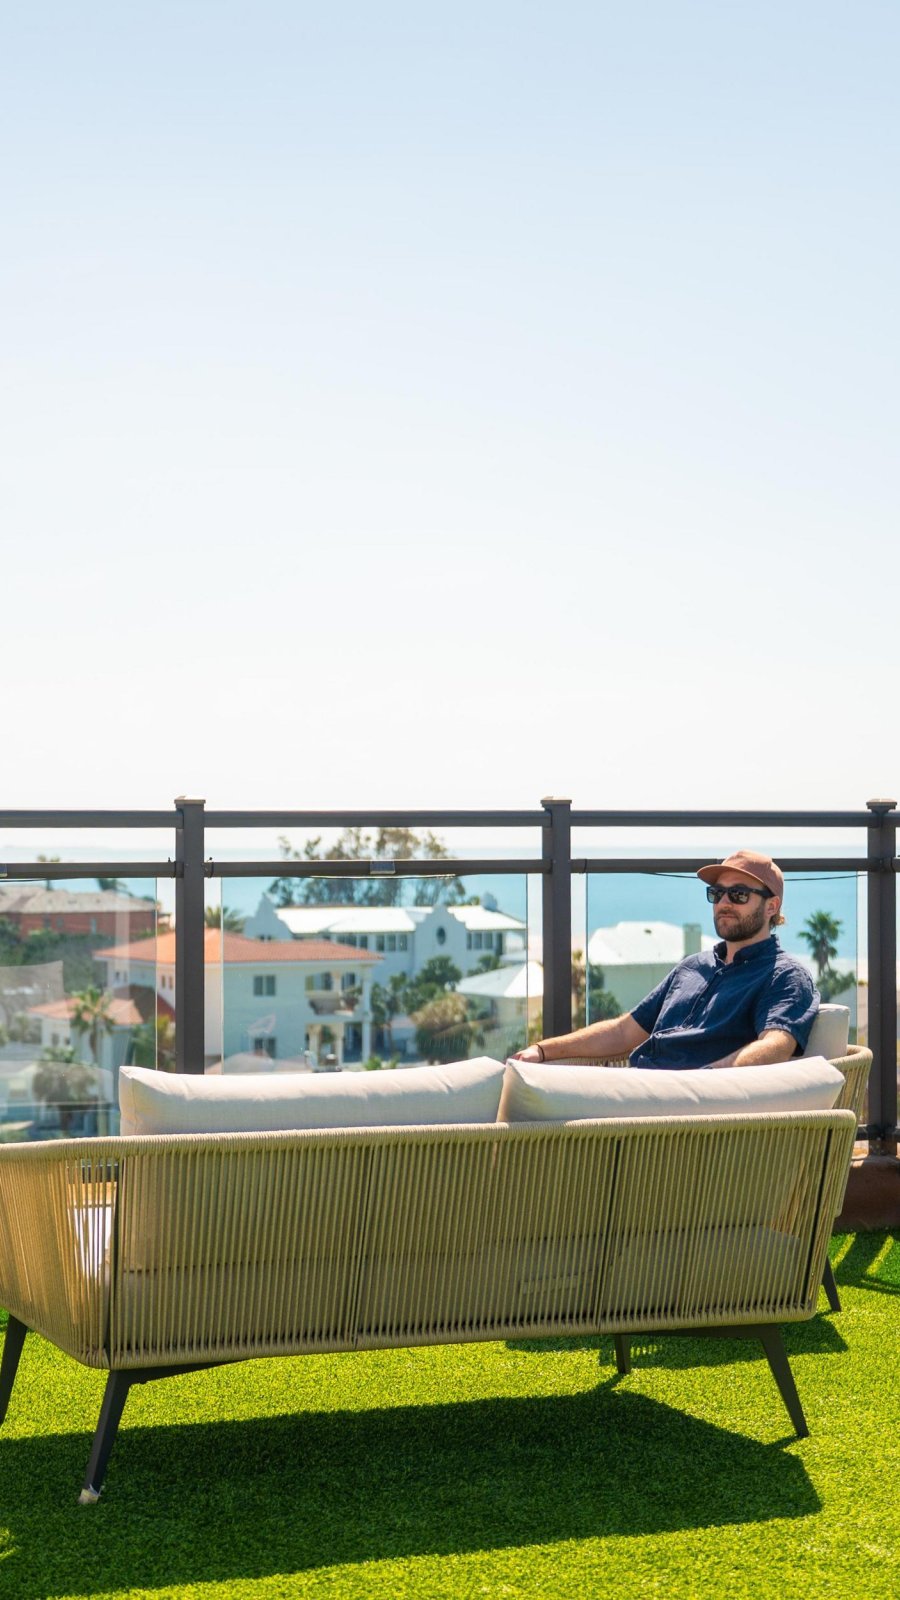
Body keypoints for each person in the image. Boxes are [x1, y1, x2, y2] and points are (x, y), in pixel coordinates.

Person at [516, 849, 819, 1070]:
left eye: (739, 894)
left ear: (771, 907)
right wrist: (542, 1050)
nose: (724, 903)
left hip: (684, 1109)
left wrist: (708, 1081)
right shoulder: (693, 967)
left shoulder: (784, 976)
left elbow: (775, 1046)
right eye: (717, 893)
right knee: (508, 1082)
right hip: (641, 1086)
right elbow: (624, 1032)